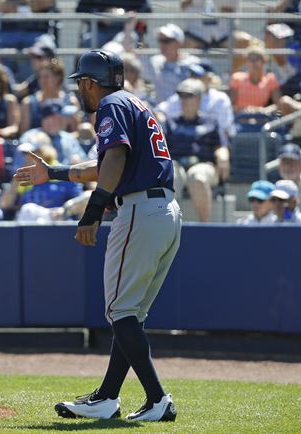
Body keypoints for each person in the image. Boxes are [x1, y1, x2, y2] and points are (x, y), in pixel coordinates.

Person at [15, 50, 180, 422]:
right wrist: (54, 173)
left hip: (139, 209)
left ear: (90, 82)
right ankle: (107, 397)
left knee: (121, 312)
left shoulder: (109, 104)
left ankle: (157, 399)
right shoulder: (133, 102)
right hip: (164, 211)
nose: (80, 92)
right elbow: (107, 163)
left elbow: (116, 159)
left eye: (80, 84)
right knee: (129, 313)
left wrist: (92, 213)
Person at [163, 79, 229, 222]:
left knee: (197, 176)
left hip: (204, 164)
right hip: (177, 165)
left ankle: (204, 228)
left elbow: (220, 147)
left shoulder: (210, 122)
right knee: (170, 175)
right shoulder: (170, 122)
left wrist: (223, 158)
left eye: (189, 96)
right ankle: (168, 228)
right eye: (181, 96)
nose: (184, 100)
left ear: (199, 98)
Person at [229, 46, 281, 114]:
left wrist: (262, 110)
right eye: (250, 59)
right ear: (246, 62)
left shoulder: (270, 79)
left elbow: (278, 105)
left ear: (264, 61)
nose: (253, 62)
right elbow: (229, 105)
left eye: (257, 59)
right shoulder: (237, 78)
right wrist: (242, 111)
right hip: (240, 120)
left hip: (262, 120)